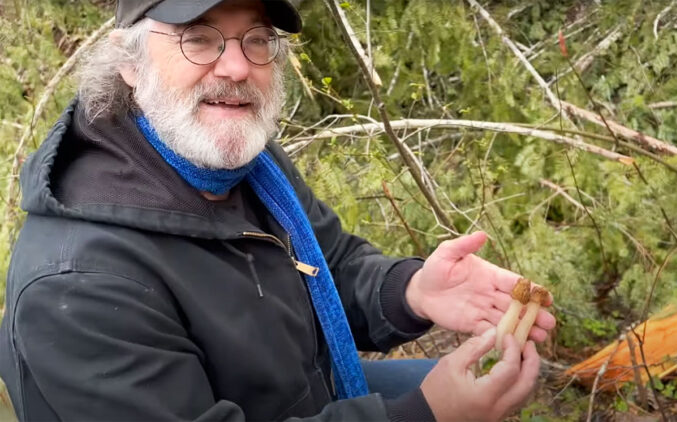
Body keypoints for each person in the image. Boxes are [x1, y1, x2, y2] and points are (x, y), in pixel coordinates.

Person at [0, 0, 556, 420]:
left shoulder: (244, 164)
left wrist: (414, 290)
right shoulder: (78, 284)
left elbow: (329, 263)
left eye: (257, 40)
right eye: (200, 39)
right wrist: (421, 415)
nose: (238, 68)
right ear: (129, 62)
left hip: (307, 387)